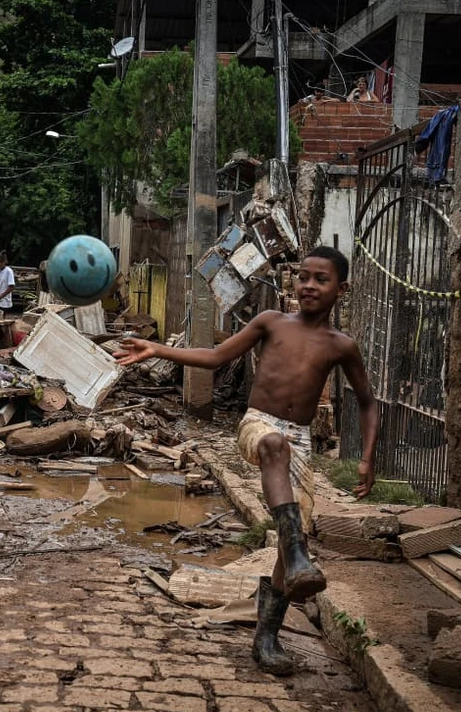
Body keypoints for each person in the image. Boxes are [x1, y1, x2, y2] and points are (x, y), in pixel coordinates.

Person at [114, 246, 379, 676]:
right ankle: (297, 555)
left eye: (321, 279)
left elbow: (367, 402)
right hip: (259, 423)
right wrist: (158, 350)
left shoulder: (342, 346)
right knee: (274, 446)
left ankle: (267, 636)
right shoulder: (271, 322)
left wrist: (367, 458)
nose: (309, 286)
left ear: (341, 289)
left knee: (291, 548)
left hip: (300, 440)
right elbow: (216, 357)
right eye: (303, 277)